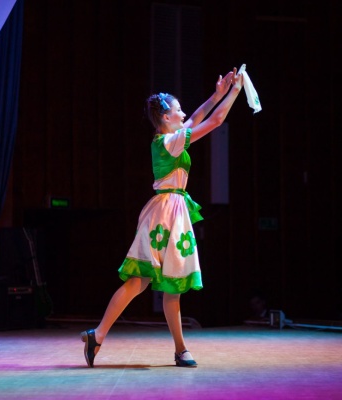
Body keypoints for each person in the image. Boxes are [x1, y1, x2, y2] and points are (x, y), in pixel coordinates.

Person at [80, 67, 244, 368]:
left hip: (170, 210)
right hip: (165, 213)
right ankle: (101, 334)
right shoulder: (170, 141)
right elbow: (215, 121)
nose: (184, 114)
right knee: (140, 281)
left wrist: (217, 95)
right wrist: (235, 91)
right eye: (178, 110)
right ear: (166, 118)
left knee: (169, 285)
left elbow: (198, 117)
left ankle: (176, 348)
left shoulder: (171, 138)